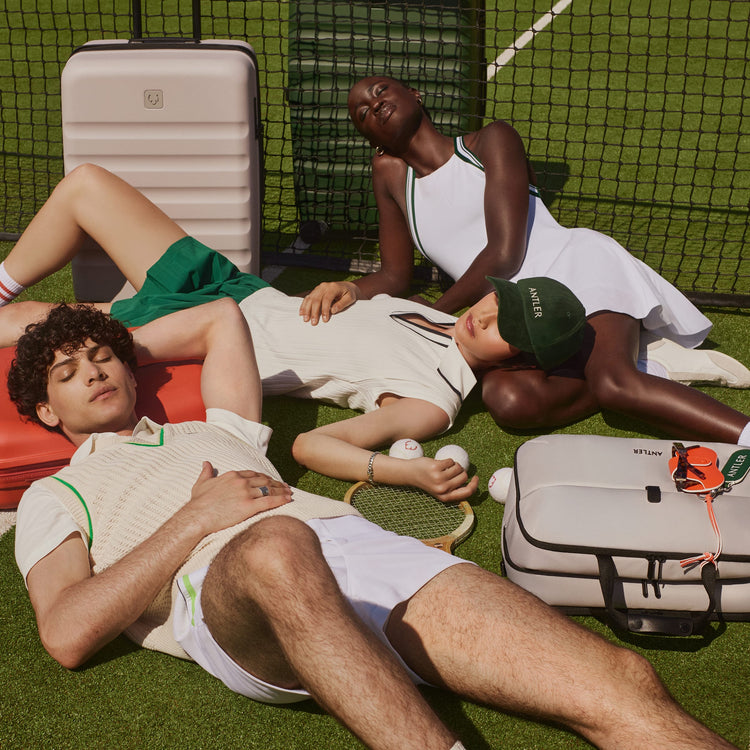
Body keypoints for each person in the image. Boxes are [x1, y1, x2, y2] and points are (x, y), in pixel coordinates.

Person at [8, 300, 737, 750]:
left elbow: (221, 318)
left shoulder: (216, 429)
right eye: (68, 374)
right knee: (277, 547)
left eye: (103, 360)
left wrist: (107, 334)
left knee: (622, 679)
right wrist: (197, 518)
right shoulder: (56, 493)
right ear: (45, 411)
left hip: (356, 549)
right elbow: (67, 633)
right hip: (228, 590)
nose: (93, 373)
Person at [0, 163, 589, 501]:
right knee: (87, 185)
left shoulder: (434, 399)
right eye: (498, 300)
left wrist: (405, 471)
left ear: (517, 359)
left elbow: (311, 446)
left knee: (44, 324)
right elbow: (363, 322)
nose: (485, 314)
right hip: (237, 289)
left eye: (506, 326)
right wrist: (350, 290)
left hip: (214, 333)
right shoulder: (438, 315)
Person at [298, 75, 750, 441]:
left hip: (573, 267)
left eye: (380, 92)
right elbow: (395, 274)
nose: (374, 105)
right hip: (509, 314)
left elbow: (505, 254)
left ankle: (726, 424)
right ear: (370, 139)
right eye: (363, 112)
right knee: (510, 402)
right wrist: (349, 287)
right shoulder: (390, 176)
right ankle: (648, 364)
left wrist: (437, 315)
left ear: (414, 94)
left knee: (615, 386)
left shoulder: (491, 140)